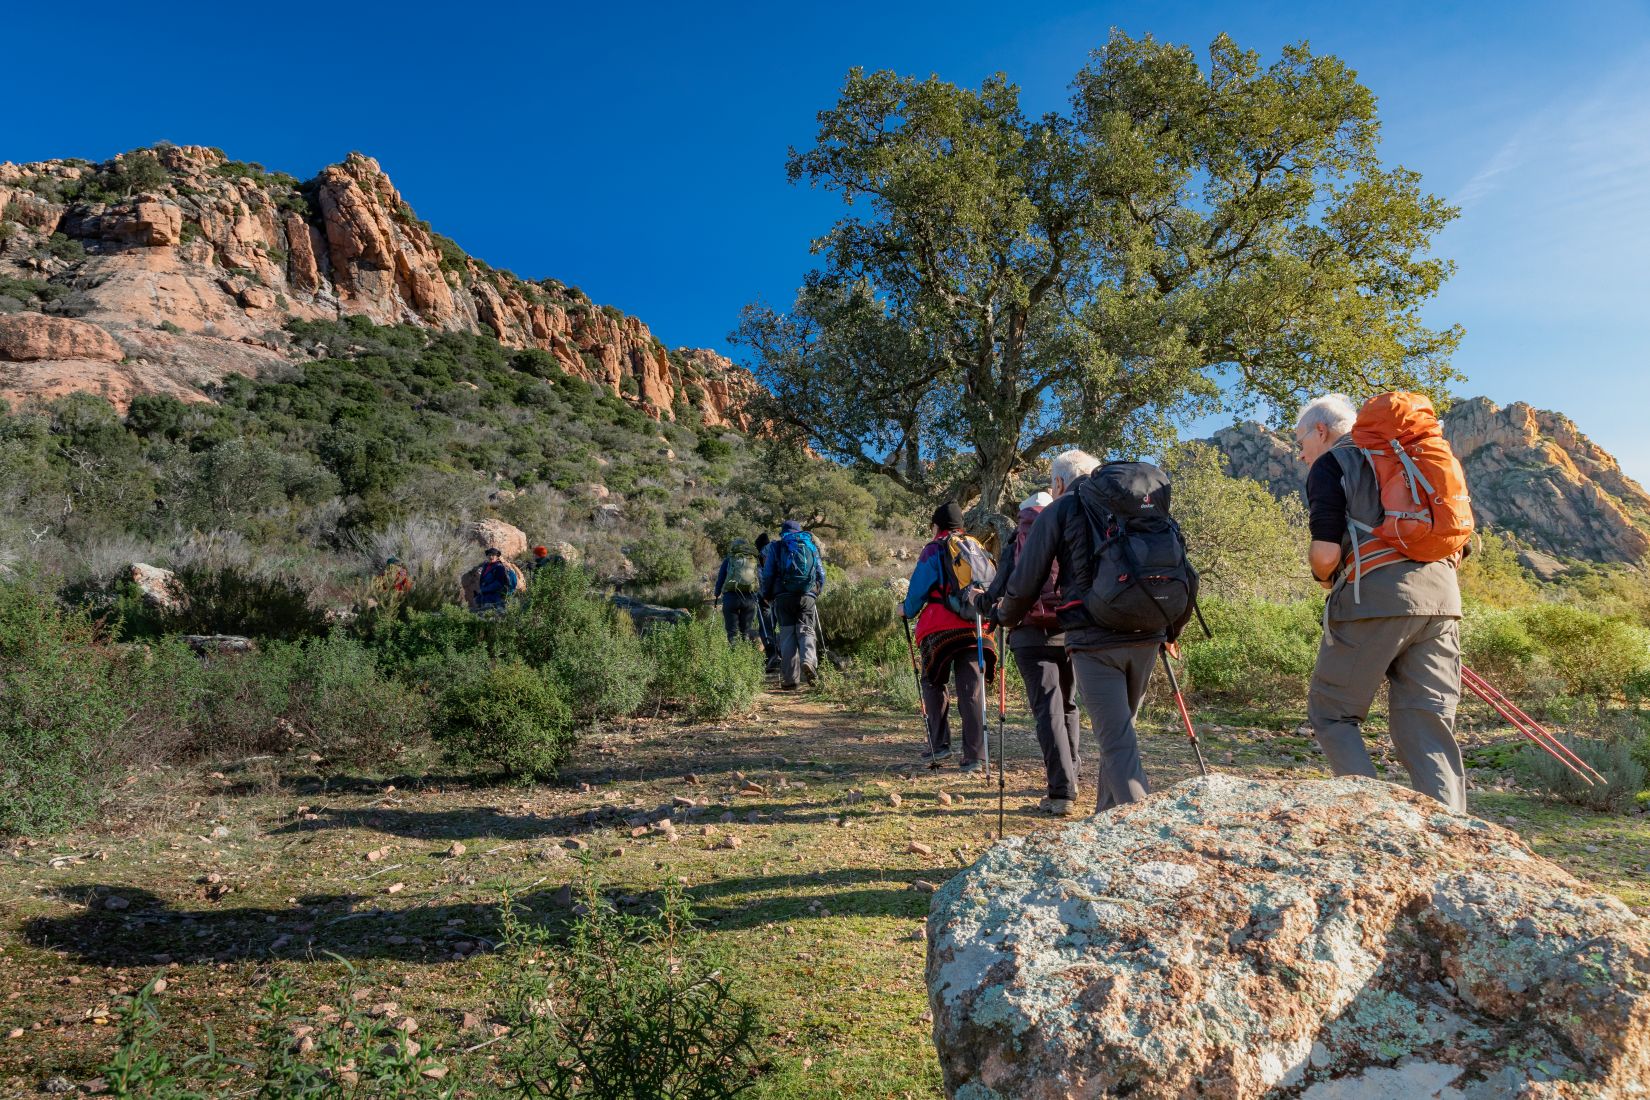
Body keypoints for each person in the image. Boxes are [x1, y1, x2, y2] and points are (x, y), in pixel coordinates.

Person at [1296, 394, 1467, 811]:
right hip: (1442, 601)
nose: (1302, 455)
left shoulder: (1333, 464)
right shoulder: (1414, 456)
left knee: (1333, 714)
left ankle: (1373, 818)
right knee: (1426, 722)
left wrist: (1324, 578)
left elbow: (1325, 555)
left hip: (1372, 598)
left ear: (1322, 430)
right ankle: (1448, 834)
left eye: (1302, 442)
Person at [997, 450, 1193, 812]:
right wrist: (1172, 630)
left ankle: (1140, 837)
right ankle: (1107, 824)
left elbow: (1025, 582)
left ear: (1058, 482)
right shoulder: (1136, 507)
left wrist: (1006, 616)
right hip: (1148, 632)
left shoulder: (1061, 508)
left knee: (1117, 743)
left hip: (1094, 640)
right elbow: (1185, 574)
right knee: (1117, 737)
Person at [985, 491, 1081, 814]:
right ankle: (1071, 782)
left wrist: (980, 602)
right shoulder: (1069, 526)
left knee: (1048, 710)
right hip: (1069, 629)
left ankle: (1061, 792)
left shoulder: (1017, 540)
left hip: (1028, 635)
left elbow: (1001, 590)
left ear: (1023, 513)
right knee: (1067, 706)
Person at [902, 502, 996, 775]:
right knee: (971, 690)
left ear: (936, 526)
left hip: (940, 629)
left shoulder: (934, 549)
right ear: (961, 525)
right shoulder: (976, 546)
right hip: (978, 626)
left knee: (932, 680)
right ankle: (975, 756)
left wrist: (905, 610)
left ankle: (940, 744)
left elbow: (917, 593)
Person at [760, 520, 824, 689]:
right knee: (806, 630)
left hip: (783, 596)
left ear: (783, 532)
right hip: (807, 595)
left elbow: (767, 574)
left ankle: (790, 680)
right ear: (799, 531)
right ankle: (808, 662)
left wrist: (766, 594)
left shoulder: (776, 547)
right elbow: (820, 571)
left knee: (787, 635)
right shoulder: (810, 545)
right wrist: (817, 590)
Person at [714, 537, 763, 645]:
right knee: (745, 631)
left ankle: (734, 653)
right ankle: (745, 654)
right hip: (749, 598)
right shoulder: (753, 558)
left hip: (730, 597)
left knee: (732, 632)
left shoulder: (729, 559)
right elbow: (759, 576)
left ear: (734, 547)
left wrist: (717, 593)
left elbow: (721, 578)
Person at [753, 532, 780, 671]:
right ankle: (789, 655)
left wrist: (765, 594)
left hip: (770, 594)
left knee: (766, 623)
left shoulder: (763, 553)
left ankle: (772, 654)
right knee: (785, 624)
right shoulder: (780, 547)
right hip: (785, 592)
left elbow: (764, 575)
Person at [473, 546, 517, 614]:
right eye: (489, 555)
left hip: (495, 598)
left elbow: (498, 584)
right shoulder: (486, 566)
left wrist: (483, 589)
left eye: (493, 555)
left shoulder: (499, 568)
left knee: (491, 617)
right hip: (485, 598)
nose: (491, 557)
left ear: (497, 557)